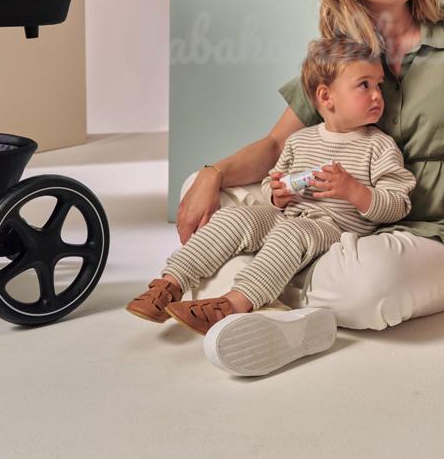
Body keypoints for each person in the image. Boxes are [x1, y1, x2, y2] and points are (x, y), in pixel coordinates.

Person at [175, 0, 444, 337]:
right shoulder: (344, 54)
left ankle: (251, 292)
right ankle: (266, 300)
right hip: (345, 224)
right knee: (204, 193)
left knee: (372, 282)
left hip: (443, 234)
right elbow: (276, 145)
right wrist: (211, 174)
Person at [126, 37, 416, 338]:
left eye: (379, 85)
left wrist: (355, 191)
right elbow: (272, 181)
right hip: (287, 215)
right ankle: (170, 284)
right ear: (326, 96)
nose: (377, 95)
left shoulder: (379, 147)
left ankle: (233, 304)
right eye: (364, 85)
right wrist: (277, 195)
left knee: (291, 234)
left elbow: (398, 203)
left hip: (332, 228)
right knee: (234, 217)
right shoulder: (300, 140)